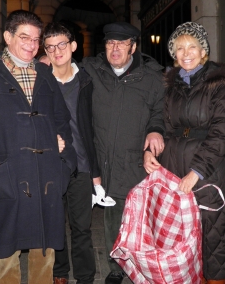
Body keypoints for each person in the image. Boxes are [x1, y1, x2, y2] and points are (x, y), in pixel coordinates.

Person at [0, 10, 77, 284]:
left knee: (44, 252)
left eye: (36, 39)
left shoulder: (45, 74)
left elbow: (61, 120)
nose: (32, 45)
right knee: (7, 251)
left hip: (46, 178)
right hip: (8, 176)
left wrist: (65, 161)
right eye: (25, 37)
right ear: (8, 37)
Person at [144, 22, 225, 284]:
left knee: (212, 235)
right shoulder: (171, 85)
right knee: (178, 235)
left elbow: (224, 133)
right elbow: (163, 125)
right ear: (173, 55)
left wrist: (196, 172)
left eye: (192, 47)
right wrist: (150, 152)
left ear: (203, 52)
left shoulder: (218, 85)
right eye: (179, 48)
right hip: (173, 166)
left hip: (208, 171)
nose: (186, 53)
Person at [82, 22, 165, 284]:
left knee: (140, 218)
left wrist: (155, 130)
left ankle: (143, 264)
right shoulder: (90, 71)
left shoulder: (152, 78)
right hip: (100, 158)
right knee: (112, 217)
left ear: (133, 46)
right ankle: (116, 267)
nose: (115, 48)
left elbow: (159, 113)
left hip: (134, 159)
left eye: (121, 43)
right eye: (110, 43)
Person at [41, 22, 115, 284]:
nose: (56, 51)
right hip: (50, 165)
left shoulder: (87, 79)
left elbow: (94, 127)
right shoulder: (41, 79)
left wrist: (96, 174)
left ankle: (85, 277)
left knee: (81, 227)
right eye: (50, 46)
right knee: (55, 224)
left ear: (73, 46)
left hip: (81, 166)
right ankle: (60, 272)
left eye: (62, 44)